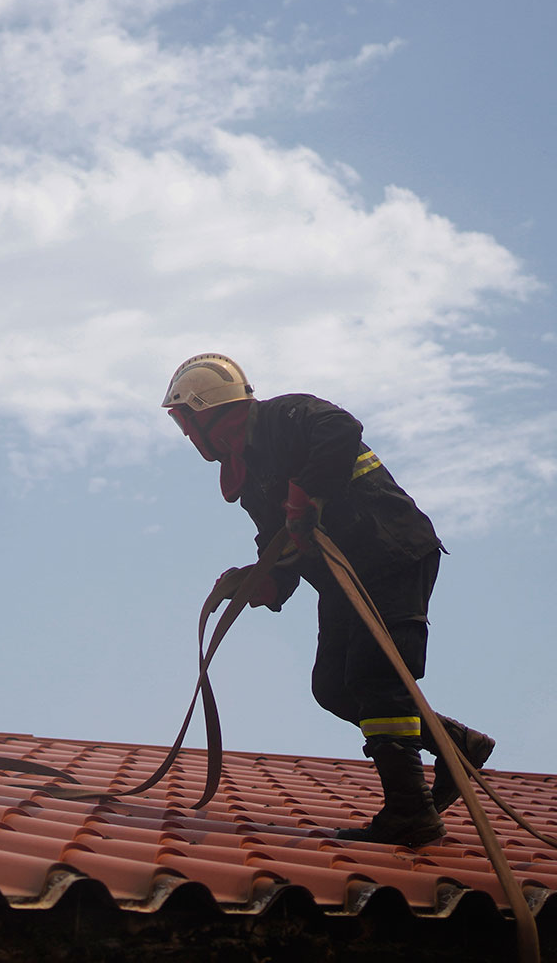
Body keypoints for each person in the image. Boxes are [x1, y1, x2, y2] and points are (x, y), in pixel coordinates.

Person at [162, 352, 495, 847]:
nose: (186, 435)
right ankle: (457, 747)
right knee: (333, 688)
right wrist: (265, 583)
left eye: (185, 422)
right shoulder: (250, 471)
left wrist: (306, 494)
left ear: (204, 409)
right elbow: (280, 539)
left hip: (389, 556)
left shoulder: (284, 418)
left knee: (374, 680)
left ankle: (412, 814)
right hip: (344, 578)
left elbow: (341, 428)